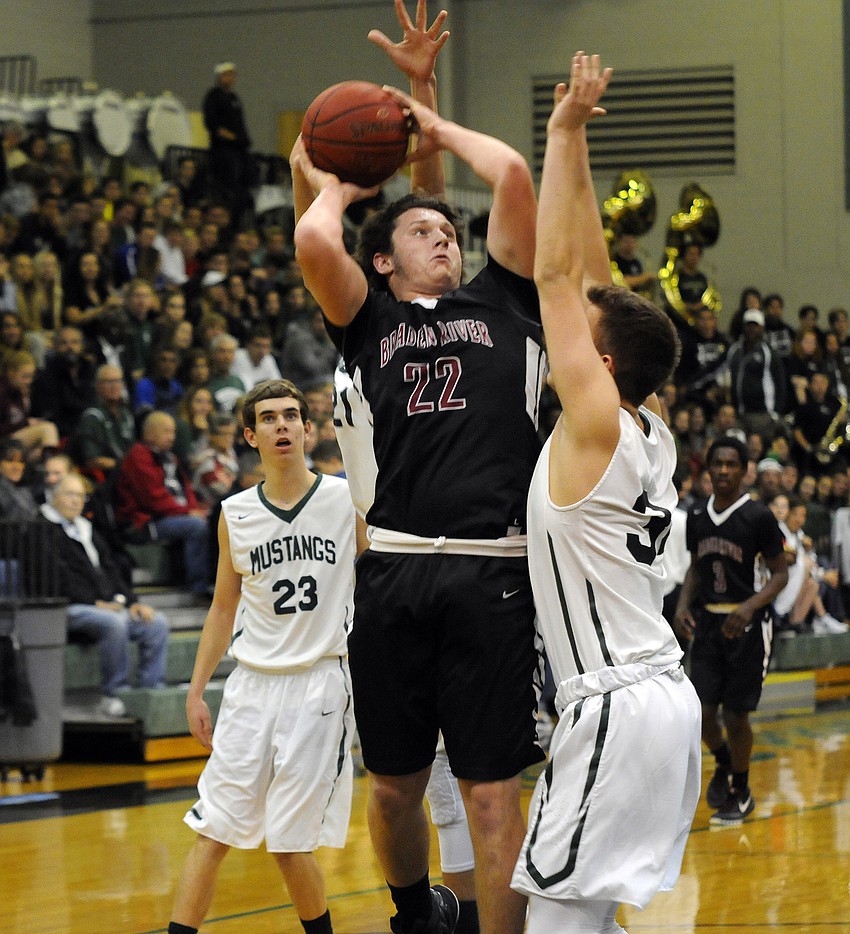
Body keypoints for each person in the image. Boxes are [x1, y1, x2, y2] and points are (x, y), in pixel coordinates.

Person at [292, 3, 542, 932]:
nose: (445, 238)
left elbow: (510, 175)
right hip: (392, 570)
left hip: (492, 570)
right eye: (423, 232)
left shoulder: (505, 301)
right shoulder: (369, 321)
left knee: (491, 792)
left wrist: (425, 111)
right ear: (383, 261)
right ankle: (413, 914)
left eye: (451, 231)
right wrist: (332, 181)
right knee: (395, 786)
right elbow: (315, 240)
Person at [504, 55, 701, 934]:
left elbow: (556, 279)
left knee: (556, 915)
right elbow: (589, 279)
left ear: (605, 364)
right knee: (582, 912)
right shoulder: (646, 427)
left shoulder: (597, 425)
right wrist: (579, 138)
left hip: (616, 698)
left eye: (585, 339)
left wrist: (555, 135)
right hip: (657, 695)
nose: (568, 339)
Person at [167, 379, 355, 934]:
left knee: (290, 844)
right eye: (268, 418)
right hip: (250, 687)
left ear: (308, 429)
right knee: (213, 831)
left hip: (319, 684)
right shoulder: (235, 513)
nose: (282, 425)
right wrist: (196, 691)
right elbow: (222, 609)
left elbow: (382, 582)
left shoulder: (346, 501)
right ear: (250, 436)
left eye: (291, 416)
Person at [674, 436, 788, 825]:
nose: (723, 470)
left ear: (744, 471)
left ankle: (742, 789)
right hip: (708, 623)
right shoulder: (697, 516)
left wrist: (749, 606)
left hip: (748, 625)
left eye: (731, 464)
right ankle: (724, 762)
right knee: (703, 714)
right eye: (717, 464)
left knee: (737, 716)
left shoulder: (758, 516)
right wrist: (683, 605)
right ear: (708, 469)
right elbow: (696, 567)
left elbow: (780, 574)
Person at [43, 472, 169, 718]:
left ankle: (150, 692)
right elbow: (53, 578)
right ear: (55, 497)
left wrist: (131, 602)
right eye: (70, 494)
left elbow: (111, 568)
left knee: (156, 623)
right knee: (114, 622)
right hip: (66, 607)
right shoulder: (42, 529)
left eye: (81, 496)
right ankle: (116, 693)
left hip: (102, 605)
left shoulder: (86, 528)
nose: (76, 501)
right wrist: (94, 602)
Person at [115, 410, 211, 596]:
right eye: (166, 431)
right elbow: (153, 499)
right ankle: (198, 588)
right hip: (145, 522)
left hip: (173, 515)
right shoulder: (139, 455)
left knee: (215, 518)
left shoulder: (170, 456)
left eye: (173, 432)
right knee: (196, 527)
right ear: (149, 433)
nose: (172, 437)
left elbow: (186, 488)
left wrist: (194, 509)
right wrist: (187, 512)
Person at [202, 62, 254, 222]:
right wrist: (233, 138)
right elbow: (213, 124)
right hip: (223, 151)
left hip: (239, 151)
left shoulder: (234, 98)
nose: (230, 78)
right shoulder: (213, 96)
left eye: (232, 74)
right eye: (226, 74)